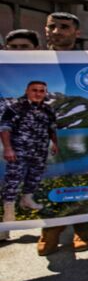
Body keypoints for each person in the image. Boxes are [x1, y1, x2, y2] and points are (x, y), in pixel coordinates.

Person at [34, 12, 88, 253]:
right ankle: (50, 230)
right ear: (46, 29)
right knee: (46, 179)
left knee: (83, 176)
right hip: (42, 135)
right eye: (53, 26)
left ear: (76, 32)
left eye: (64, 27)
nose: (58, 31)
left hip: (78, 134)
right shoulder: (30, 60)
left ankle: (84, 228)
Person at [1, 82, 58, 242]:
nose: (38, 93)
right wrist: (7, 148)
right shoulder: (15, 108)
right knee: (12, 183)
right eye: (34, 90)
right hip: (19, 152)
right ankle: (7, 221)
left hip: (39, 151)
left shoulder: (48, 109)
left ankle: (27, 200)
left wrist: (55, 143)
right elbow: (5, 128)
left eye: (42, 91)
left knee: (34, 178)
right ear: (26, 91)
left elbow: (52, 128)